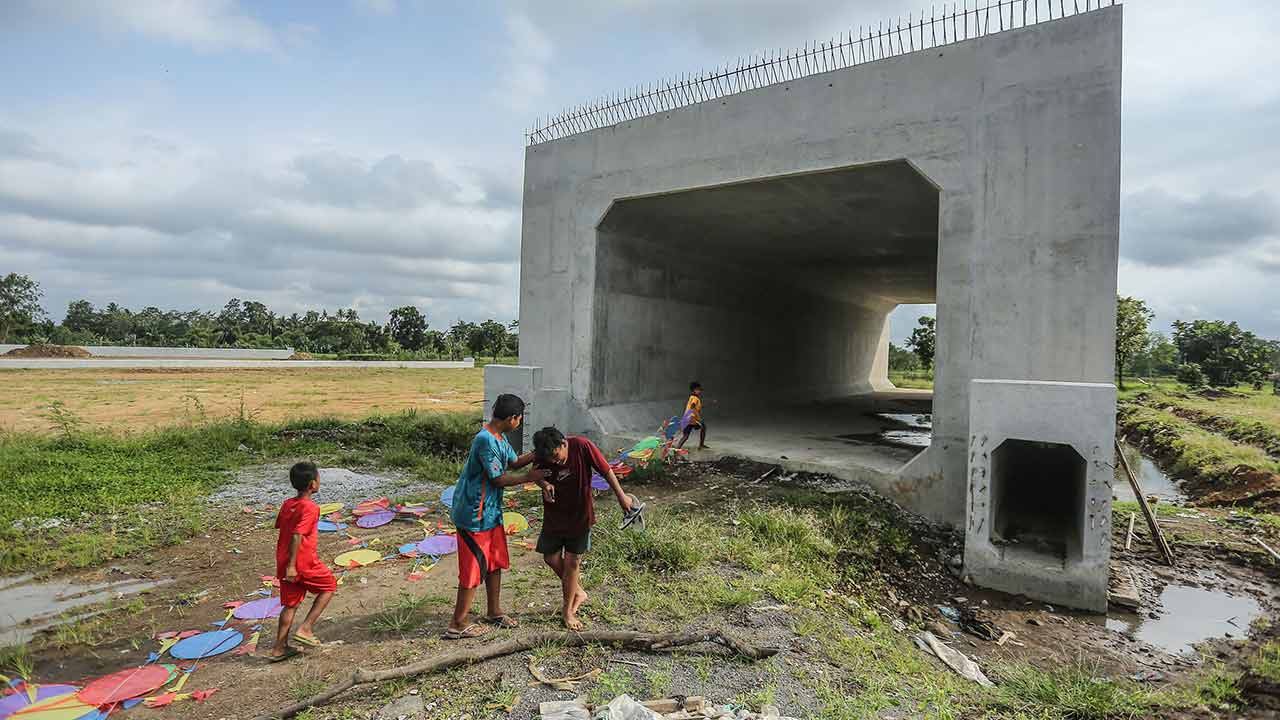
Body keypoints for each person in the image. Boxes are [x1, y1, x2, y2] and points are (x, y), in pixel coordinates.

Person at [445, 393, 549, 639]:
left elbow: (513, 463)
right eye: (520, 418)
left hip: (490, 514)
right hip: (474, 515)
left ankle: (494, 611)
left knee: (494, 562)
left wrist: (538, 451)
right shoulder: (485, 441)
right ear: (513, 417)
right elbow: (498, 479)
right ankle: (457, 624)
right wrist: (529, 478)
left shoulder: (500, 438)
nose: (520, 422)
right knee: (473, 568)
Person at [531, 426, 632, 630]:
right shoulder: (545, 454)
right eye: (549, 459)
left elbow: (606, 471)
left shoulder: (582, 446)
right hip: (554, 515)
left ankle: (567, 611)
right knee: (550, 557)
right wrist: (544, 484)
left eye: (556, 456)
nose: (553, 461)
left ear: (564, 443)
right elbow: (533, 473)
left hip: (580, 516)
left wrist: (622, 497)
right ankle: (577, 591)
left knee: (572, 562)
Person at [269, 461, 336, 662]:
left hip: (283, 560)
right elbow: (298, 534)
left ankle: (279, 649)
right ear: (313, 484)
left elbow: (280, 525)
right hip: (302, 562)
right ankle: (306, 628)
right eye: (319, 479)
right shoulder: (311, 507)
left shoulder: (288, 504)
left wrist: (287, 564)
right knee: (329, 586)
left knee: (290, 604)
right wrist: (292, 566)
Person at [673, 381, 709, 450]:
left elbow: (697, 407)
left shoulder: (692, 397)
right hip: (692, 419)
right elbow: (692, 406)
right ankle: (701, 444)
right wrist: (693, 417)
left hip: (686, 418)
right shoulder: (695, 398)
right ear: (694, 390)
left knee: (685, 436)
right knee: (703, 427)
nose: (700, 391)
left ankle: (677, 449)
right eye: (698, 390)